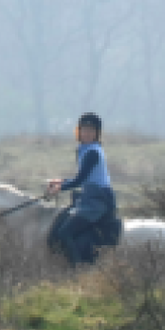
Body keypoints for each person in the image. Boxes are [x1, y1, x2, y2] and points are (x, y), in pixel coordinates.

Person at [46, 113, 118, 266]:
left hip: (97, 200)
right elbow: (83, 178)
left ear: (97, 133)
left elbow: (80, 180)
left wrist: (60, 187)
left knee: (64, 232)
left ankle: (78, 269)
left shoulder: (92, 152)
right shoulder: (84, 149)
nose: (87, 134)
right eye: (84, 130)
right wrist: (60, 181)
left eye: (91, 131)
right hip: (88, 197)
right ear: (78, 132)